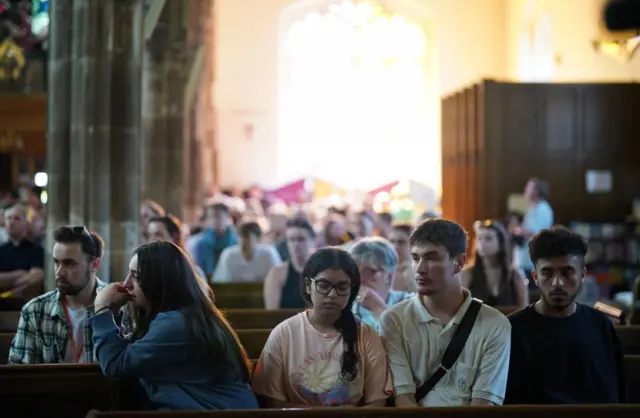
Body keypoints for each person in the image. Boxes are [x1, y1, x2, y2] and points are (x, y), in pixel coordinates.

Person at [90, 241, 259, 410]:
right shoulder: (186, 316)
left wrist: (102, 309)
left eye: (136, 275)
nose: (126, 284)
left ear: (159, 281)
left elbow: (115, 365)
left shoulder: (175, 323)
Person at [379, 218, 511, 407]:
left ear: (458, 262)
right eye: (416, 258)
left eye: (431, 258)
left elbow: (483, 406)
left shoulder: (495, 323)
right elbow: (404, 398)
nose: (420, 268)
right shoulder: (394, 319)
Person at [251, 248, 393, 407]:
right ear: (308, 285)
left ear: (352, 290)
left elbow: (377, 403)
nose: (332, 294)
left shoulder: (366, 336)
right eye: (323, 285)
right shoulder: (285, 333)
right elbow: (273, 402)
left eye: (342, 287)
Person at [505, 227, 626, 404]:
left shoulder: (600, 326)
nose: (558, 283)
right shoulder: (512, 330)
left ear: (582, 274)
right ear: (535, 277)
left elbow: (616, 395)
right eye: (547, 273)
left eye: (567, 272)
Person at [9, 226, 106, 364]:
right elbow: (19, 376)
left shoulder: (118, 306)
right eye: (56, 262)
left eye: (69, 264)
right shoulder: (35, 311)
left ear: (94, 265)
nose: (59, 272)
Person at [349, 237, 413, 331]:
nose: (360, 278)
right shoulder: (344, 307)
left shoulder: (409, 304)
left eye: (369, 271)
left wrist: (378, 309)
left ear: (389, 276)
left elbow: (409, 343)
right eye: (355, 271)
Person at [461, 220, 527, 308]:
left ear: (500, 243)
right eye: (479, 238)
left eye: (488, 238)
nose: (482, 243)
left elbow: (524, 310)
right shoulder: (467, 274)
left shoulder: (515, 275)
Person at [146, 214, 213, 299]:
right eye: (149, 235)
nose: (151, 241)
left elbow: (200, 307)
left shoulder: (193, 272)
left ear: (174, 237)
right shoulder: (145, 270)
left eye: (158, 235)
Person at [263, 218, 315, 309]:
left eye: (301, 239)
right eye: (291, 240)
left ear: (312, 241)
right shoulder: (277, 273)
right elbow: (271, 314)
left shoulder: (322, 271)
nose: (296, 244)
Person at [512, 178, 554, 284]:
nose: (525, 190)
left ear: (535, 191)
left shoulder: (542, 209)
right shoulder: (533, 208)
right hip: (523, 261)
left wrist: (519, 231)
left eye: (528, 187)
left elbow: (537, 233)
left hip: (530, 263)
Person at [213, 221, 281, 282]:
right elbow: (219, 282)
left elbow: (278, 280)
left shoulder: (269, 254)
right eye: (240, 237)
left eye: (247, 237)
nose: (242, 241)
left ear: (258, 238)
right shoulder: (228, 255)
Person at [387, 223, 417, 292]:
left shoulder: (419, 272)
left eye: (401, 242)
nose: (395, 246)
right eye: (392, 241)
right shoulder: (382, 272)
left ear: (413, 246)